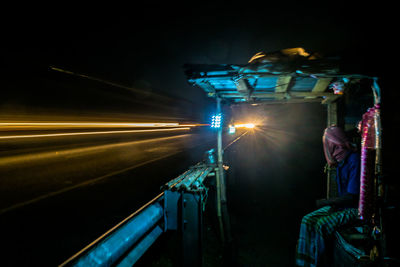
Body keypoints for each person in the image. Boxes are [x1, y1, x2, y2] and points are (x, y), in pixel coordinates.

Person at [295, 125, 360, 267]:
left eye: (334, 147)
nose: (332, 151)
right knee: (307, 220)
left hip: (356, 210)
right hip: (341, 207)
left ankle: (319, 263)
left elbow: (352, 197)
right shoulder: (341, 163)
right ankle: (303, 263)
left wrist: (324, 203)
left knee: (321, 225)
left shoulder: (354, 160)